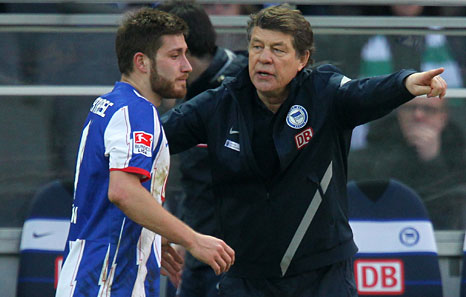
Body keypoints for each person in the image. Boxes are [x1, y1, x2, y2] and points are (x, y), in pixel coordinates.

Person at [161, 4, 447, 296]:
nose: (264, 58)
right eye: (257, 46)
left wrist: (405, 83)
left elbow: (363, 92)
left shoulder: (324, 91)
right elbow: (156, 139)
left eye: (278, 49)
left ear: (302, 59)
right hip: (247, 276)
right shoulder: (221, 103)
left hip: (322, 274)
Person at [55, 8, 235, 297]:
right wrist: (193, 240)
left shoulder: (111, 104)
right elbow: (123, 191)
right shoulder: (136, 111)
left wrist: (152, 232)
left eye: (186, 54)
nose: (187, 66)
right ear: (142, 62)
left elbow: (109, 197)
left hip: (94, 276)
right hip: (107, 282)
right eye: (174, 56)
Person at [155, 1, 247, 296]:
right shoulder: (183, 92)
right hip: (197, 248)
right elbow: (195, 181)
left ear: (183, 52)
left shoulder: (246, 87)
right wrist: (184, 236)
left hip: (238, 257)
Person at [348, 96, 466, 229]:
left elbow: (453, 210)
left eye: (429, 109)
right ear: (399, 114)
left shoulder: (458, 156)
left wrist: (432, 161)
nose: (418, 115)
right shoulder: (371, 151)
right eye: (410, 108)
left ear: (443, 118)